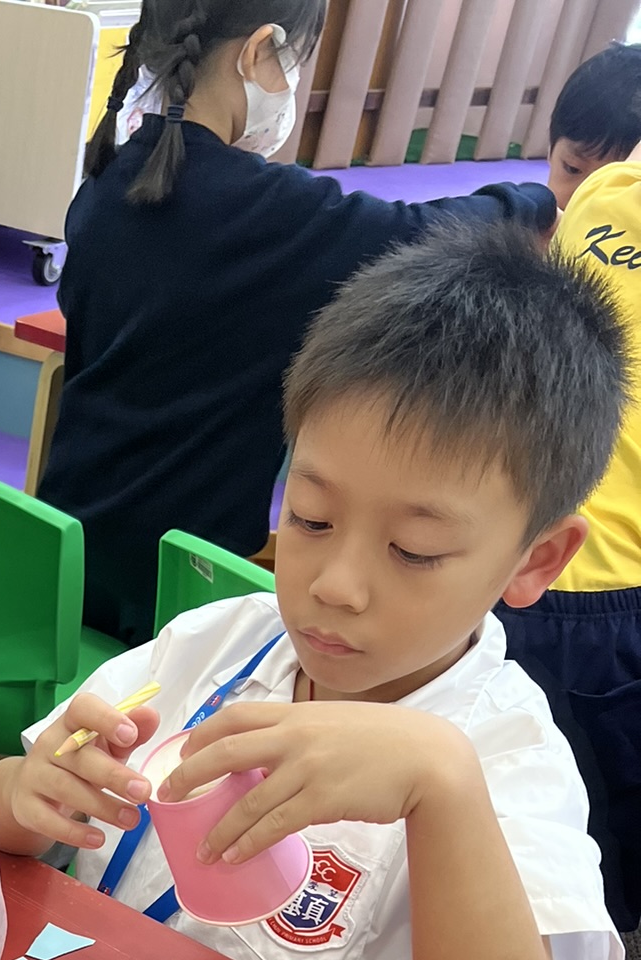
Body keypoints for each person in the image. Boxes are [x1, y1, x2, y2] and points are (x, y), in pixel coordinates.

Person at [0, 223, 623, 960]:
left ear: (535, 561)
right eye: (312, 518)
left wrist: (442, 787)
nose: (335, 585)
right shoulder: (215, 645)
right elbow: (2, 812)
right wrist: (30, 793)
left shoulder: (508, 763)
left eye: (414, 551)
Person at [42, 0, 560, 650]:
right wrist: (540, 197)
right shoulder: (267, 212)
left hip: (63, 556)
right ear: (259, 51)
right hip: (176, 595)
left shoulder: (103, 185)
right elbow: (429, 232)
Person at [496, 61, 641, 933]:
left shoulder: (607, 196)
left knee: (519, 771)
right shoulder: (610, 190)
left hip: (518, 550)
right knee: (604, 804)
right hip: (608, 580)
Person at [544, 39, 641, 211]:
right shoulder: (519, 216)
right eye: (573, 169)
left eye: (616, 184)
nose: (584, 199)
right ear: (551, 148)